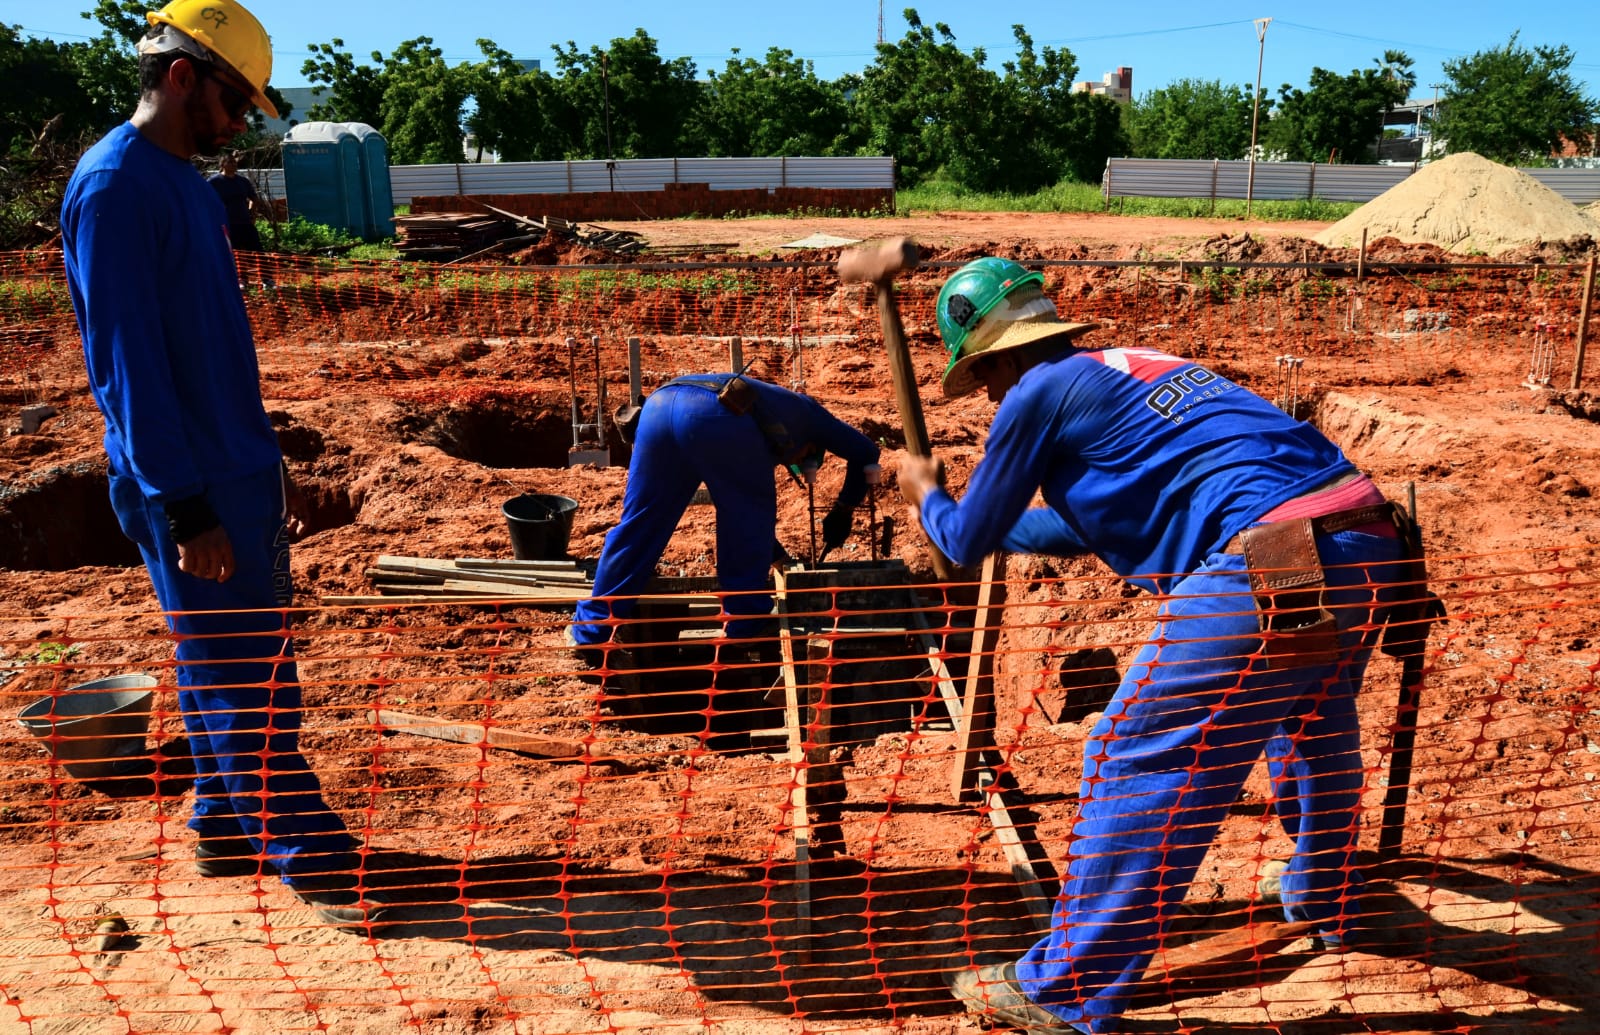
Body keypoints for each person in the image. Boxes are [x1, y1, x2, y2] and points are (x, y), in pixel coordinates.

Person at [898, 257, 1425, 1033]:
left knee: (1134, 750)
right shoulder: (1134, 377)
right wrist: (978, 524)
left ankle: (1066, 986)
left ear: (1006, 355)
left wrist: (926, 495)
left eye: (984, 379)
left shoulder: (1037, 390)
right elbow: (1064, 527)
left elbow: (966, 538)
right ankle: (1326, 891)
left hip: (1275, 550)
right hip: (1362, 539)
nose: (991, 397)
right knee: (1311, 718)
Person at [60, 0, 390, 929]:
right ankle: (312, 855)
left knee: (232, 657)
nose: (241, 125)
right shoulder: (115, 188)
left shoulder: (184, 185)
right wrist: (185, 505)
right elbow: (127, 366)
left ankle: (220, 819)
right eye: (234, 103)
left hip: (229, 469)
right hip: (190, 481)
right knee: (245, 671)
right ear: (179, 77)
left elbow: (206, 345)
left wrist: (256, 468)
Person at [569, 370, 880, 659]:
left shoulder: (776, 410)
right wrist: (845, 508)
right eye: (798, 460)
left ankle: (592, 629)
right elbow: (866, 451)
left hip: (657, 408)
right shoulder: (811, 416)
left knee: (640, 525)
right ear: (810, 447)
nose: (790, 462)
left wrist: (778, 558)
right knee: (746, 516)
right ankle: (745, 623)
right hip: (716, 414)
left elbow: (741, 508)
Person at [207, 151, 263, 252]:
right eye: (230, 162)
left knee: (257, 251)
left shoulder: (242, 181)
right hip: (225, 224)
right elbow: (204, 200)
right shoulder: (214, 182)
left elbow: (254, 199)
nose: (234, 164)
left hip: (245, 223)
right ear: (222, 164)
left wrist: (252, 214)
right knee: (232, 252)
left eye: (234, 162)